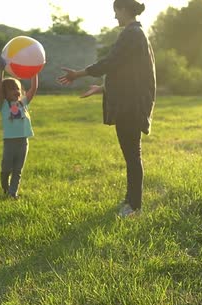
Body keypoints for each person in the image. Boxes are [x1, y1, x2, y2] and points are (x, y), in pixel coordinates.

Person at [57, 0, 156, 218]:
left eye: (116, 12)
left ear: (124, 10)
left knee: (132, 155)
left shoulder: (132, 34)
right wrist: (102, 88)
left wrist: (78, 74)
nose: (114, 17)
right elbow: (130, 74)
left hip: (130, 106)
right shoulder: (136, 34)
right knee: (131, 154)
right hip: (131, 103)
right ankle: (131, 199)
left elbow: (110, 62)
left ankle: (134, 206)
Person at [0, 64, 39, 199]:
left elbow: (34, 88)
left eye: (18, 88)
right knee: (6, 169)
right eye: (12, 89)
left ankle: (13, 193)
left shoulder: (23, 103)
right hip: (10, 142)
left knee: (17, 170)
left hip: (23, 142)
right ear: (5, 93)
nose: (16, 91)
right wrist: (1, 70)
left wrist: (34, 72)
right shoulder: (4, 105)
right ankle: (5, 187)